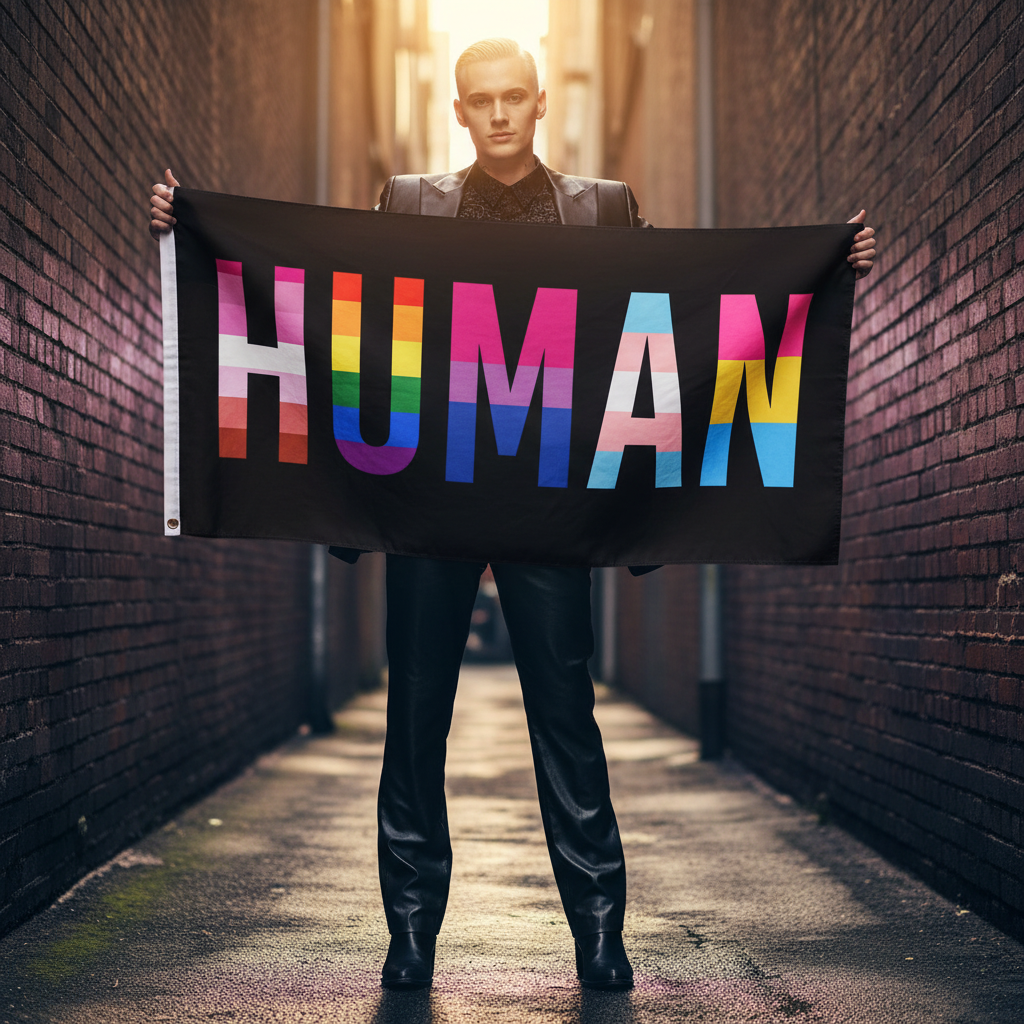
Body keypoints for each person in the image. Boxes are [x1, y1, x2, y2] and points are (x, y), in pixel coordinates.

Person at [149, 38, 877, 993]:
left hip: (553, 511)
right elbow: (349, 316)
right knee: (414, 721)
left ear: (542, 106)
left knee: (566, 719)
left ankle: (601, 934)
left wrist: (824, 268)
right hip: (429, 503)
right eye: (478, 100)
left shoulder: (604, 208)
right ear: (458, 112)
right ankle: (409, 935)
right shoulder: (409, 202)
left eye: (512, 98)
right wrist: (191, 226)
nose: (497, 114)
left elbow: (678, 319)